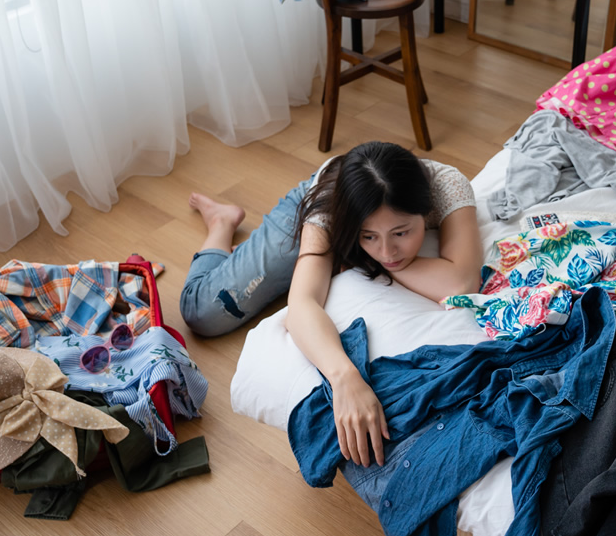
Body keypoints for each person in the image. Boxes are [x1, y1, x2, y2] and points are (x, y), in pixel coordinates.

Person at [180, 141, 482, 468]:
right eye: (368, 236)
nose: (387, 252)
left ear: (425, 211)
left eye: (401, 233)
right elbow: (302, 303)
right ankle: (221, 222)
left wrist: (367, 259)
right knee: (204, 312)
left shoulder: (447, 185)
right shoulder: (328, 206)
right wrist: (345, 378)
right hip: (322, 200)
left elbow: (461, 284)